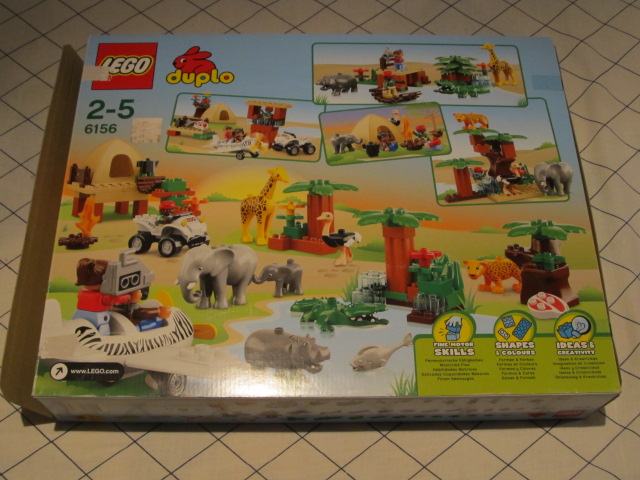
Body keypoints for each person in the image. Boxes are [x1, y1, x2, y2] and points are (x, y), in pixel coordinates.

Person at [74, 258, 142, 335]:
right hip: (98, 321)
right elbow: (117, 299)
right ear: (105, 280)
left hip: (79, 316)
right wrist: (131, 297)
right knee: (104, 331)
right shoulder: (102, 297)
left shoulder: (81, 293)